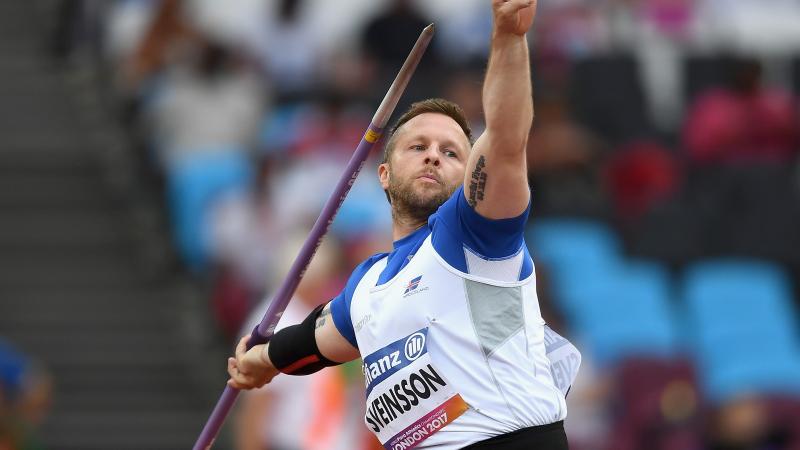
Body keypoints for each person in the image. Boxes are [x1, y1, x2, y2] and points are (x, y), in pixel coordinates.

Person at [228, 1, 580, 449]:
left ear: (469, 176)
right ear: (384, 173)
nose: (434, 154)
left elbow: (507, 139)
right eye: (418, 146)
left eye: (452, 152)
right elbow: (315, 340)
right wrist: (263, 360)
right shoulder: (368, 285)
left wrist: (508, 39)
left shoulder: (473, 233)